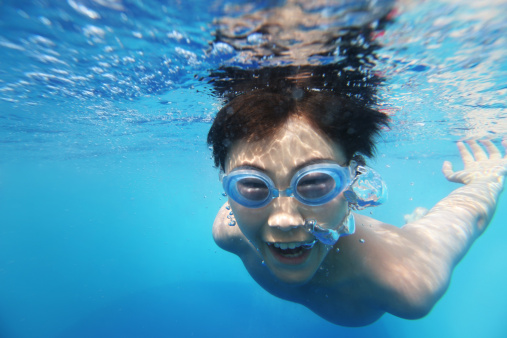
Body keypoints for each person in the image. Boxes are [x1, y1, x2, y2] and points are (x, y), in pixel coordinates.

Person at [207, 87, 507, 326]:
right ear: (227, 189)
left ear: (354, 180)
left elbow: (469, 217)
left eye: (315, 183)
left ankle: (414, 226)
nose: (284, 219)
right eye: (253, 186)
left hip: (390, 247)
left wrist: (484, 182)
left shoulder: (405, 281)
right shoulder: (228, 232)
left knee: (416, 237)